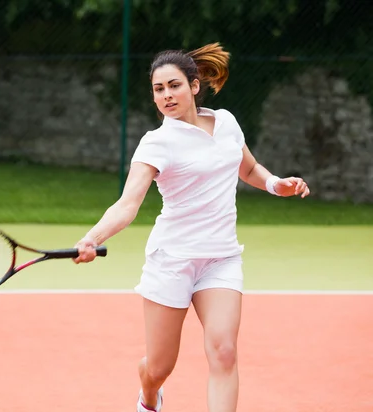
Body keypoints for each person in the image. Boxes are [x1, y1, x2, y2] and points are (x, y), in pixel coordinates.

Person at [73, 43, 310, 412]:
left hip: (221, 259)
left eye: (174, 86)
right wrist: (92, 238)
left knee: (225, 352)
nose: (167, 95)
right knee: (160, 366)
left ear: (195, 86)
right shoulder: (157, 143)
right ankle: (148, 394)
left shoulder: (227, 122)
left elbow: (246, 168)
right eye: (158, 89)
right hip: (173, 260)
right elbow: (128, 203)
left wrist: (275, 183)